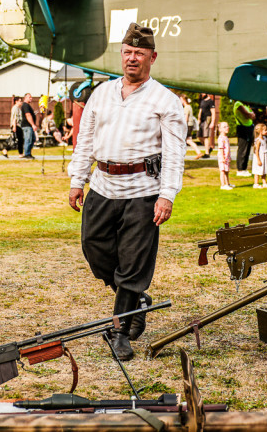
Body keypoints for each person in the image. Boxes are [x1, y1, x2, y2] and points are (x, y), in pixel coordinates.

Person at [67, 23, 186, 361]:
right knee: (94, 249)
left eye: (139, 53)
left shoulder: (165, 100)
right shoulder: (102, 93)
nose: (132, 58)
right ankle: (134, 298)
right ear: (121, 55)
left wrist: (167, 194)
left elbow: (176, 152)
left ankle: (120, 331)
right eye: (128, 52)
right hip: (102, 186)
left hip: (143, 192)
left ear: (152, 57)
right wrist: (78, 179)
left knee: (133, 263)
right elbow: (85, 139)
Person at [233, 100, 255, 176]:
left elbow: (253, 116)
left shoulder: (246, 105)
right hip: (242, 128)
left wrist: (250, 114)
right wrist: (250, 114)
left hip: (249, 128)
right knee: (242, 149)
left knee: (247, 149)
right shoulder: (238, 104)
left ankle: (244, 168)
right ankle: (240, 169)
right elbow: (247, 114)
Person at [180, 94, 203, 158]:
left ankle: (180, 155)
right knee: (188, 140)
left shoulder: (186, 108)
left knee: (184, 140)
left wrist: (183, 126)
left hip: (187, 125)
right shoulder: (189, 106)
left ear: (183, 100)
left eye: (181, 100)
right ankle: (198, 152)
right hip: (190, 125)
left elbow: (186, 118)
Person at [251, 123, 267, 188]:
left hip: (264, 157)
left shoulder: (264, 139)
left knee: (264, 170)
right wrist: (258, 160)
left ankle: (264, 183)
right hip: (260, 157)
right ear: (260, 131)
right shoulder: (258, 140)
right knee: (257, 170)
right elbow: (256, 151)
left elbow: (264, 148)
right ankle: (256, 183)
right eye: (265, 130)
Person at [20, 92, 37, 159]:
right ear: (25, 98)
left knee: (33, 139)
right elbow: (28, 115)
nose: (31, 98)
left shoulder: (27, 106)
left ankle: (29, 153)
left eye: (31, 97)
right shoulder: (25, 105)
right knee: (28, 139)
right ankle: (27, 154)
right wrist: (33, 125)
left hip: (29, 126)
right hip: (27, 126)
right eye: (29, 97)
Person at [216, 121, 232, 189]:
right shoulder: (221, 138)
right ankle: (223, 185)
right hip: (222, 157)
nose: (227, 128)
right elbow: (221, 148)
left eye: (227, 126)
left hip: (226, 157)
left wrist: (229, 157)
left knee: (226, 170)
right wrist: (222, 157)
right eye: (224, 127)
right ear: (220, 129)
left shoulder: (226, 137)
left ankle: (227, 183)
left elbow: (227, 149)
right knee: (222, 170)